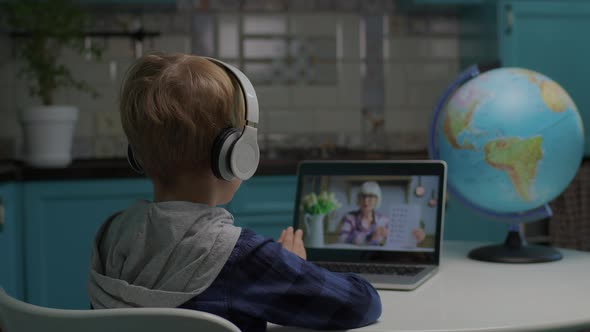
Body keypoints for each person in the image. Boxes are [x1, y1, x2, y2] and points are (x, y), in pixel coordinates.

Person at [86, 53, 381, 332]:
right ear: (234, 153)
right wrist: (292, 268)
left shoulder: (111, 237)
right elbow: (361, 303)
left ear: (137, 153)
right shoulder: (243, 257)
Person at [338, 181, 426, 246]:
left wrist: (415, 239)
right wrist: (369, 237)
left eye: (371, 196)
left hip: (377, 258)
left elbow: (398, 242)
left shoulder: (384, 220)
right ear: (358, 198)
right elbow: (342, 239)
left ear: (377, 200)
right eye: (363, 196)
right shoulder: (349, 217)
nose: (366, 201)